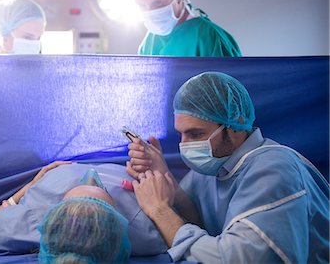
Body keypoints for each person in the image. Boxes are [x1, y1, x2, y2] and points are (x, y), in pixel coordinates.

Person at [126, 72, 329, 263]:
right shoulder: (216, 163)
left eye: (195, 134)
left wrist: (159, 210)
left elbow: (236, 259)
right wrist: (164, 177)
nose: (185, 145)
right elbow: (199, 221)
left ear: (234, 126)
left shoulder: (274, 169)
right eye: (181, 134)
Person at [0, 161, 190, 262]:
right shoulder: (149, 234)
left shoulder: (30, 218)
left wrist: (29, 187)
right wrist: (163, 202)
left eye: (70, 193)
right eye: (104, 193)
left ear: (47, 226)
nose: (91, 175)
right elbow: (192, 236)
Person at [130, 0, 241, 57]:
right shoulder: (148, 44)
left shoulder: (211, 39)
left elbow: (230, 82)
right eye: (141, 5)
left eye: (158, 3)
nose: (151, 12)